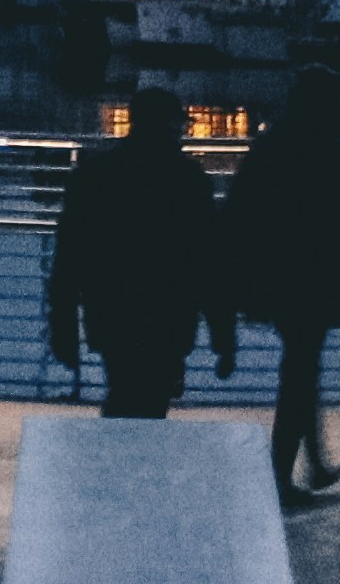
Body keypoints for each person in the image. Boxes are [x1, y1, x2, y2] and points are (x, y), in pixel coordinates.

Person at [232, 64, 340, 502]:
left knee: (301, 366)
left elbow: (243, 211)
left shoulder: (270, 147)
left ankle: (310, 461)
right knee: (302, 369)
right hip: (318, 274)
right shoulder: (334, 153)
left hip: (278, 271)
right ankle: (287, 469)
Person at [45, 86, 228, 418]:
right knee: (154, 400)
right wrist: (222, 333)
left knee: (121, 391)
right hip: (169, 314)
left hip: (111, 310)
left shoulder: (96, 174)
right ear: (170, 127)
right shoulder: (188, 179)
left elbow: (70, 257)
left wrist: (64, 325)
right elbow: (208, 261)